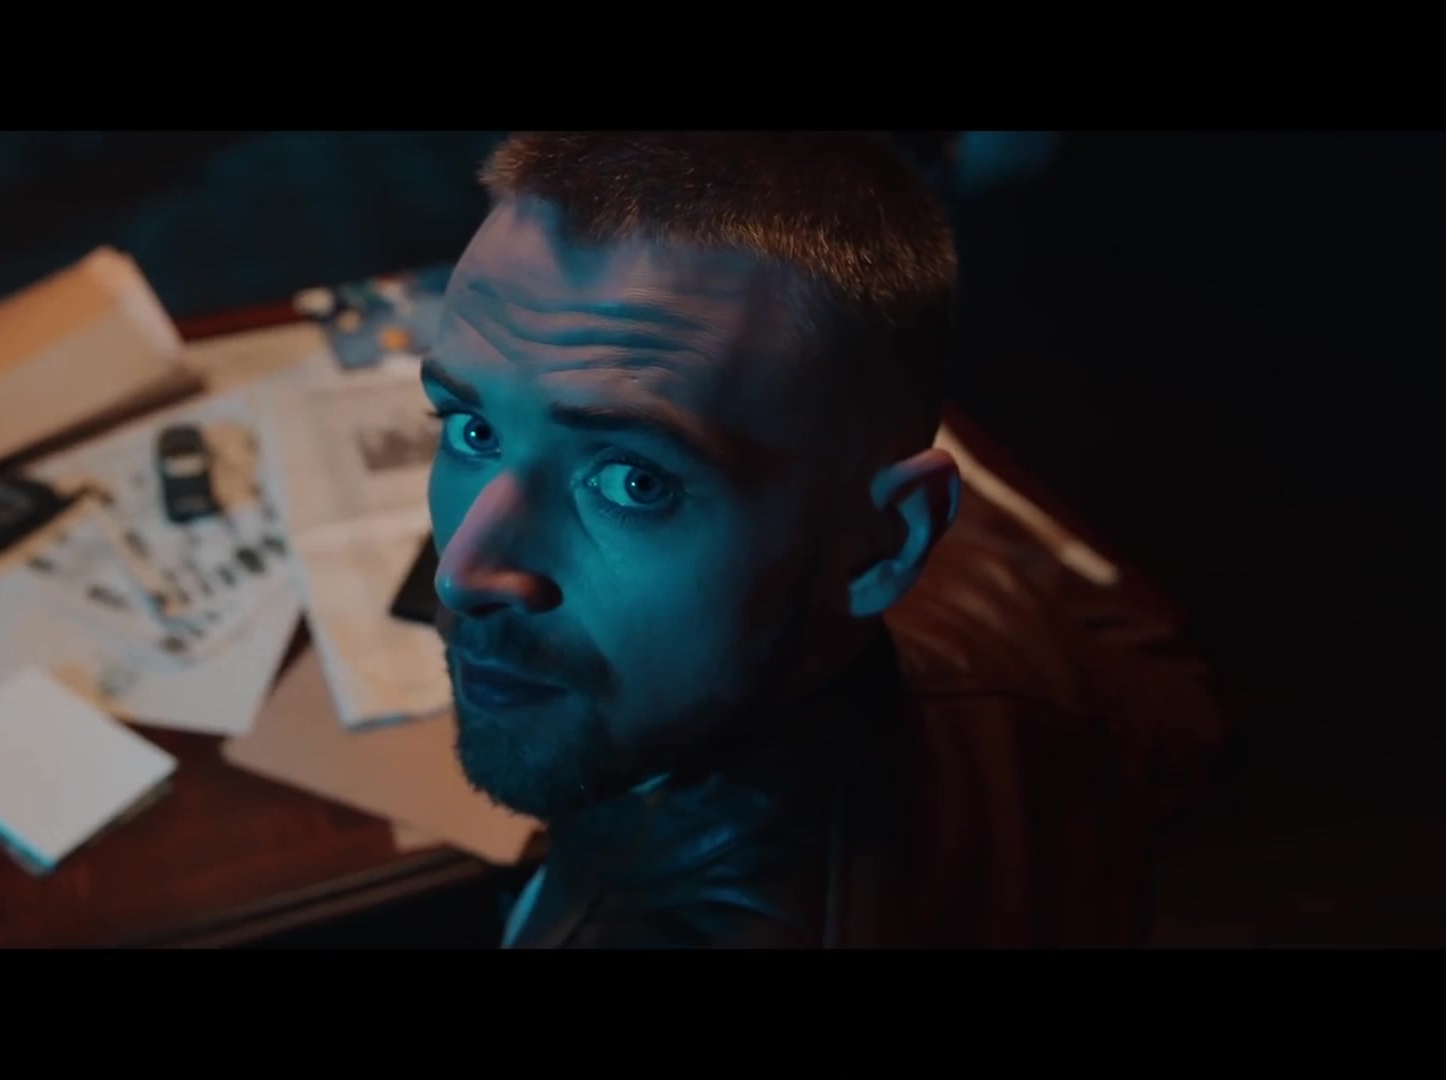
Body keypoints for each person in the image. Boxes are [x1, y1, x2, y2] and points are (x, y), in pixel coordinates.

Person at [420, 131, 1226, 948]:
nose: (462, 571)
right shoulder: (1029, 634)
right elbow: (1178, 713)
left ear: (887, 541)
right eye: (471, 428)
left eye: (635, 482)